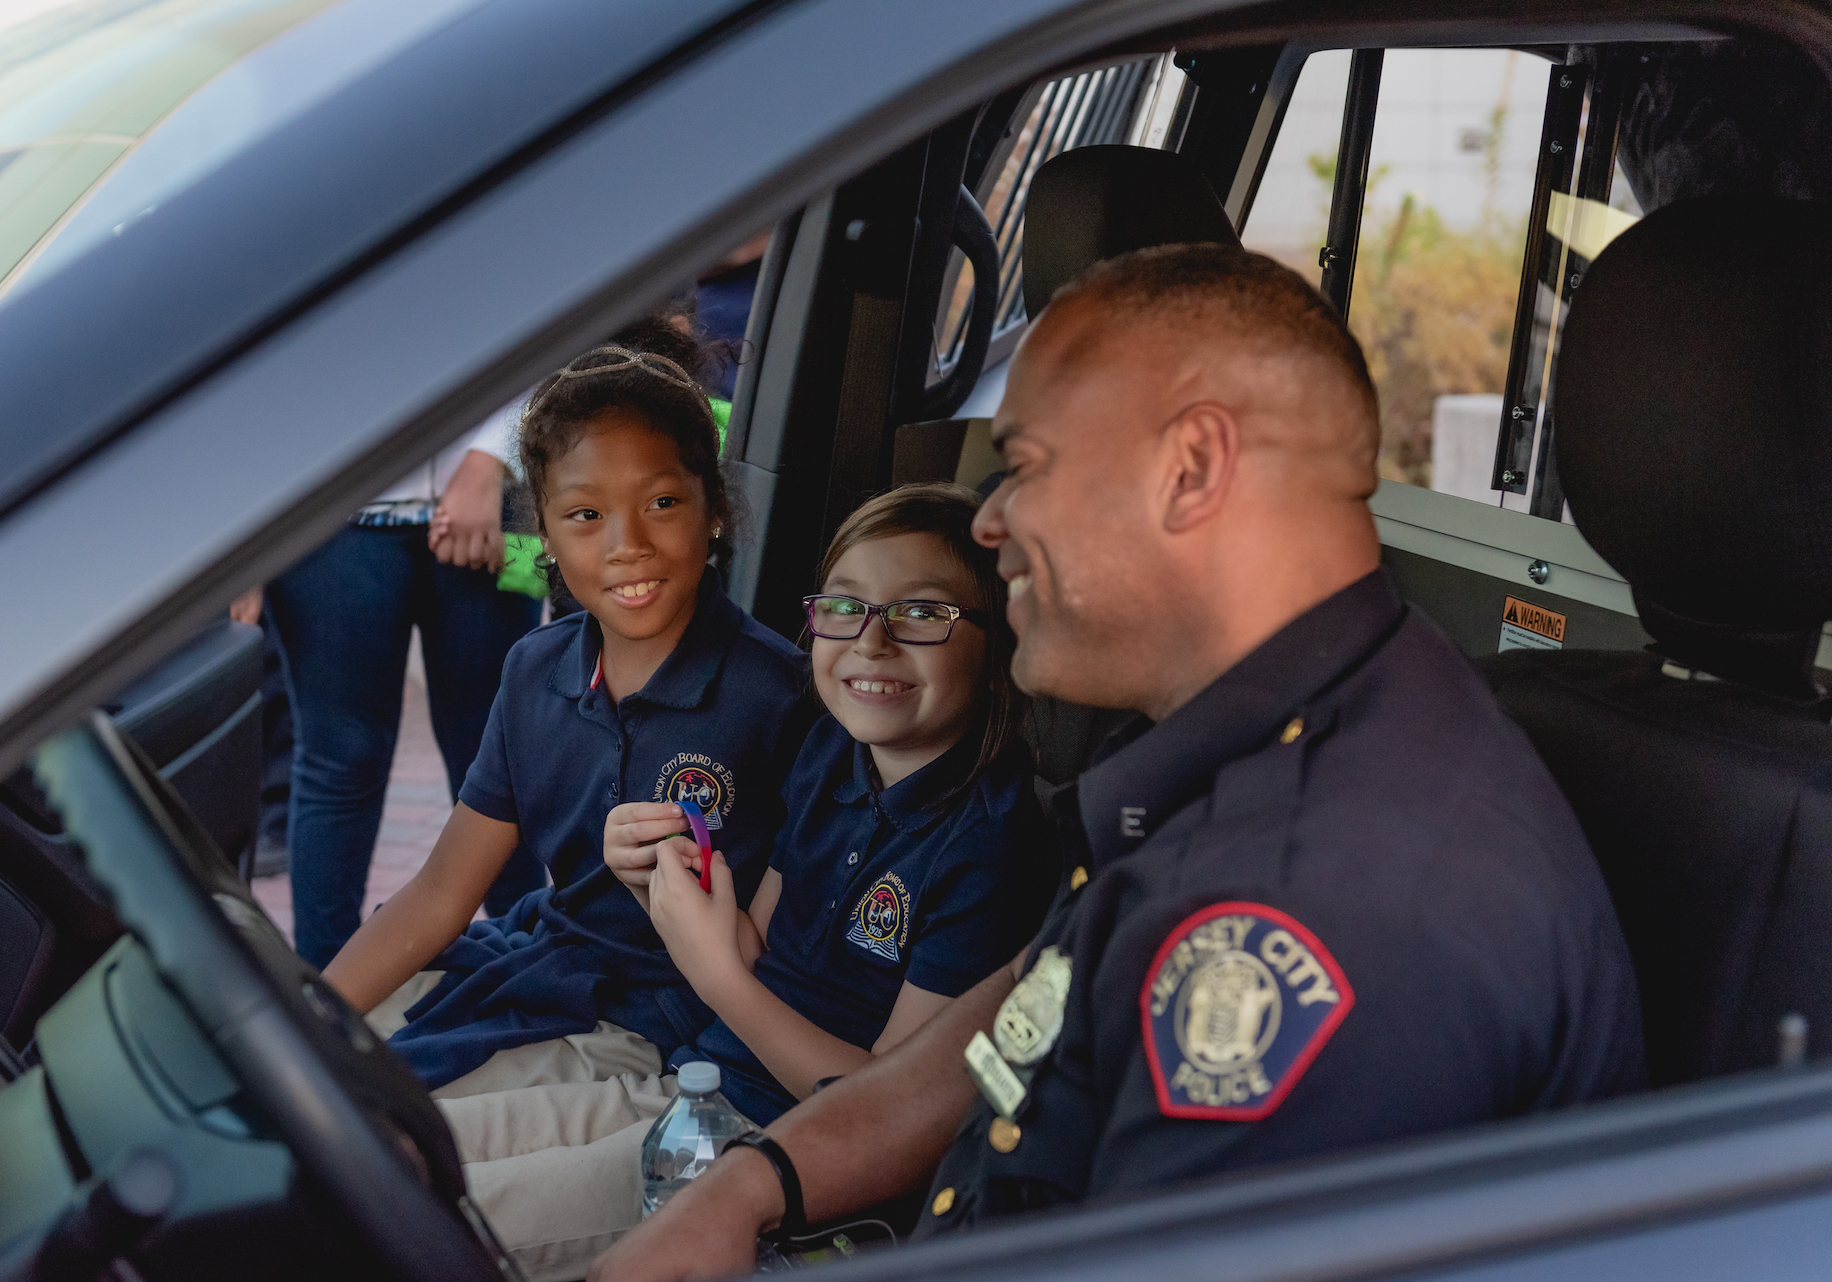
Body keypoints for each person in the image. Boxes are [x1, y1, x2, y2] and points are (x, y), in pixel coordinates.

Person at [594, 243, 1646, 1281]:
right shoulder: (1252, 729)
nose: (993, 519)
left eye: (1029, 465)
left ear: (1190, 468)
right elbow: (997, 1031)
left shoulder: (1324, 906)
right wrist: (750, 1184)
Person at [436, 484, 1056, 1279]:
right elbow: (753, 942)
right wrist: (656, 884)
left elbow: (885, 1112)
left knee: (450, 1220)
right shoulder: (831, 752)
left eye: (923, 615)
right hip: (689, 1084)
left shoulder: (991, 845)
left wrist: (717, 976)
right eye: (845, 607)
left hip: (777, 1156)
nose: (872, 643)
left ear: (995, 642)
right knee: (412, 1153)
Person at [323, 331, 810, 1102]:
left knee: (373, 1128)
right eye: (585, 515)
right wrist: (314, 1018)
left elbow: (790, 947)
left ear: (714, 509)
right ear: (542, 534)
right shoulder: (533, 671)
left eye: (662, 503)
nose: (627, 546)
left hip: (655, 1029)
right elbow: (443, 893)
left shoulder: (778, 694)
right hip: (543, 965)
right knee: (304, 1055)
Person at [252, 398, 545, 968]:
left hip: (497, 501)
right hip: (325, 507)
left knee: (498, 758)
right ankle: (328, 998)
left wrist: (493, 458)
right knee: (339, 762)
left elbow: (548, 326)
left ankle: (536, 969)